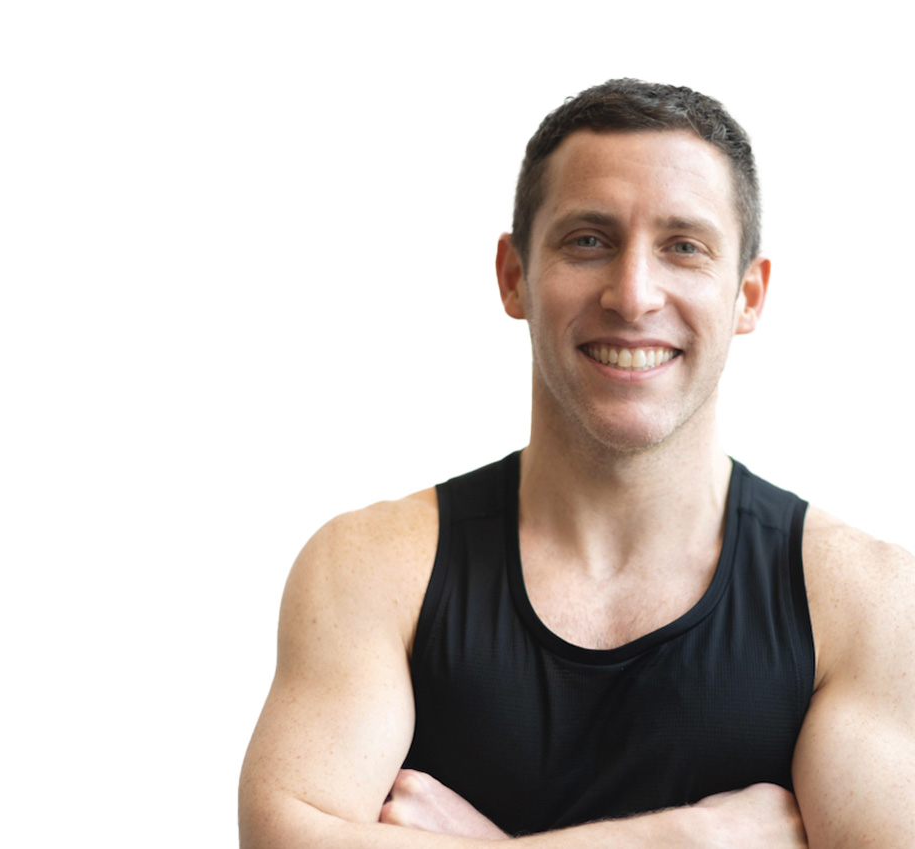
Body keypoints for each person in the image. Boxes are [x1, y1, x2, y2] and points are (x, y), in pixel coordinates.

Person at [239, 79, 915, 847]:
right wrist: (688, 840)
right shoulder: (373, 569)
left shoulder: (861, 600)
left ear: (748, 295)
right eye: (588, 240)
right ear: (514, 275)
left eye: (683, 247)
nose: (633, 295)